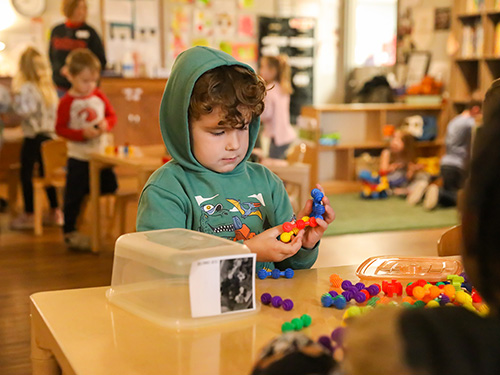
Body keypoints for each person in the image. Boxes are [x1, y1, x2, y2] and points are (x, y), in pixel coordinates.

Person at [136, 46, 335, 271]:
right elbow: (161, 268)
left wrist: (304, 243)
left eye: (242, 128)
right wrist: (246, 251)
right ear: (182, 126)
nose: (235, 144)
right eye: (218, 132)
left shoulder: (267, 182)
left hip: (266, 304)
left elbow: (291, 267)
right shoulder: (167, 189)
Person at [56, 48, 117, 251]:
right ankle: (70, 231)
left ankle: (93, 222)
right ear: (71, 76)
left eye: (93, 80)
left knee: (110, 187)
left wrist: (106, 125)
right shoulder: (67, 102)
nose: (90, 85)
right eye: (84, 81)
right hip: (79, 157)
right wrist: (81, 134)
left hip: (99, 156)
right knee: (74, 196)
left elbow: (111, 116)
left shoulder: (98, 95)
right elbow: (60, 129)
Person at [9, 47, 63, 230]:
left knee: (26, 174)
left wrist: (12, 108)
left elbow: (25, 112)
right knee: (47, 175)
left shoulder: (27, 88)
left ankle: (29, 213)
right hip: (50, 137)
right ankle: (56, 211)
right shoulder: (48, 88)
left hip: (33, 137)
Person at [407, 104, 480, 210]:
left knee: (450, 190)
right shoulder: (467, 122)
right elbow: (480, 126)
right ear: (475, 109)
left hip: (446, 161)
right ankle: (439, 193)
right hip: (458, 164)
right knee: (460, 198)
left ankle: (426, 191)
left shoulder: (455, 120)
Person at [49, 0, 106, 97]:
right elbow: (52, 57)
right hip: (62, 87)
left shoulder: (91, 33)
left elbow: (100, 61)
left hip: (85, 91)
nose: (82, 12)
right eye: (78, 8)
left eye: (84, 8)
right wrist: (61, 70)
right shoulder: (57, 31)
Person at [258, 55, 296, 159]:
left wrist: (255, 114)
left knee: (274, 167)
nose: (260, 70)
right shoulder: (282, 88)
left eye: (263, 67)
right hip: (286, 135)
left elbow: (267, 113)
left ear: (273, 71)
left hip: (277, 137)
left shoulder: (270, 90)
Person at [379, 128, 420, 196]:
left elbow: (409, 177)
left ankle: (413, 191)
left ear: (406, 145)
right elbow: (382, 171)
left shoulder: (407, 156)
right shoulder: (387, 153)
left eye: (398, 140)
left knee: (421, 177)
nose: (394, 142)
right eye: (393, 139)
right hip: (388, 181)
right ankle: (398, 191)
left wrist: (412, 170)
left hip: (403, 183)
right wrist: (393, 167)